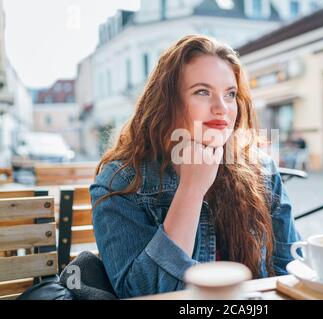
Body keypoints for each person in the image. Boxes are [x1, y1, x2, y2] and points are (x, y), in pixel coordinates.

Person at [90, 35, 301, 299]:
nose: (221, 108)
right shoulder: (121, 181)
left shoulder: (261, 169)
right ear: (167, 103)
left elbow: (289, 271)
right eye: (202, 92)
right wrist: (191, 190)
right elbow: (146, 294)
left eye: (230, 94)